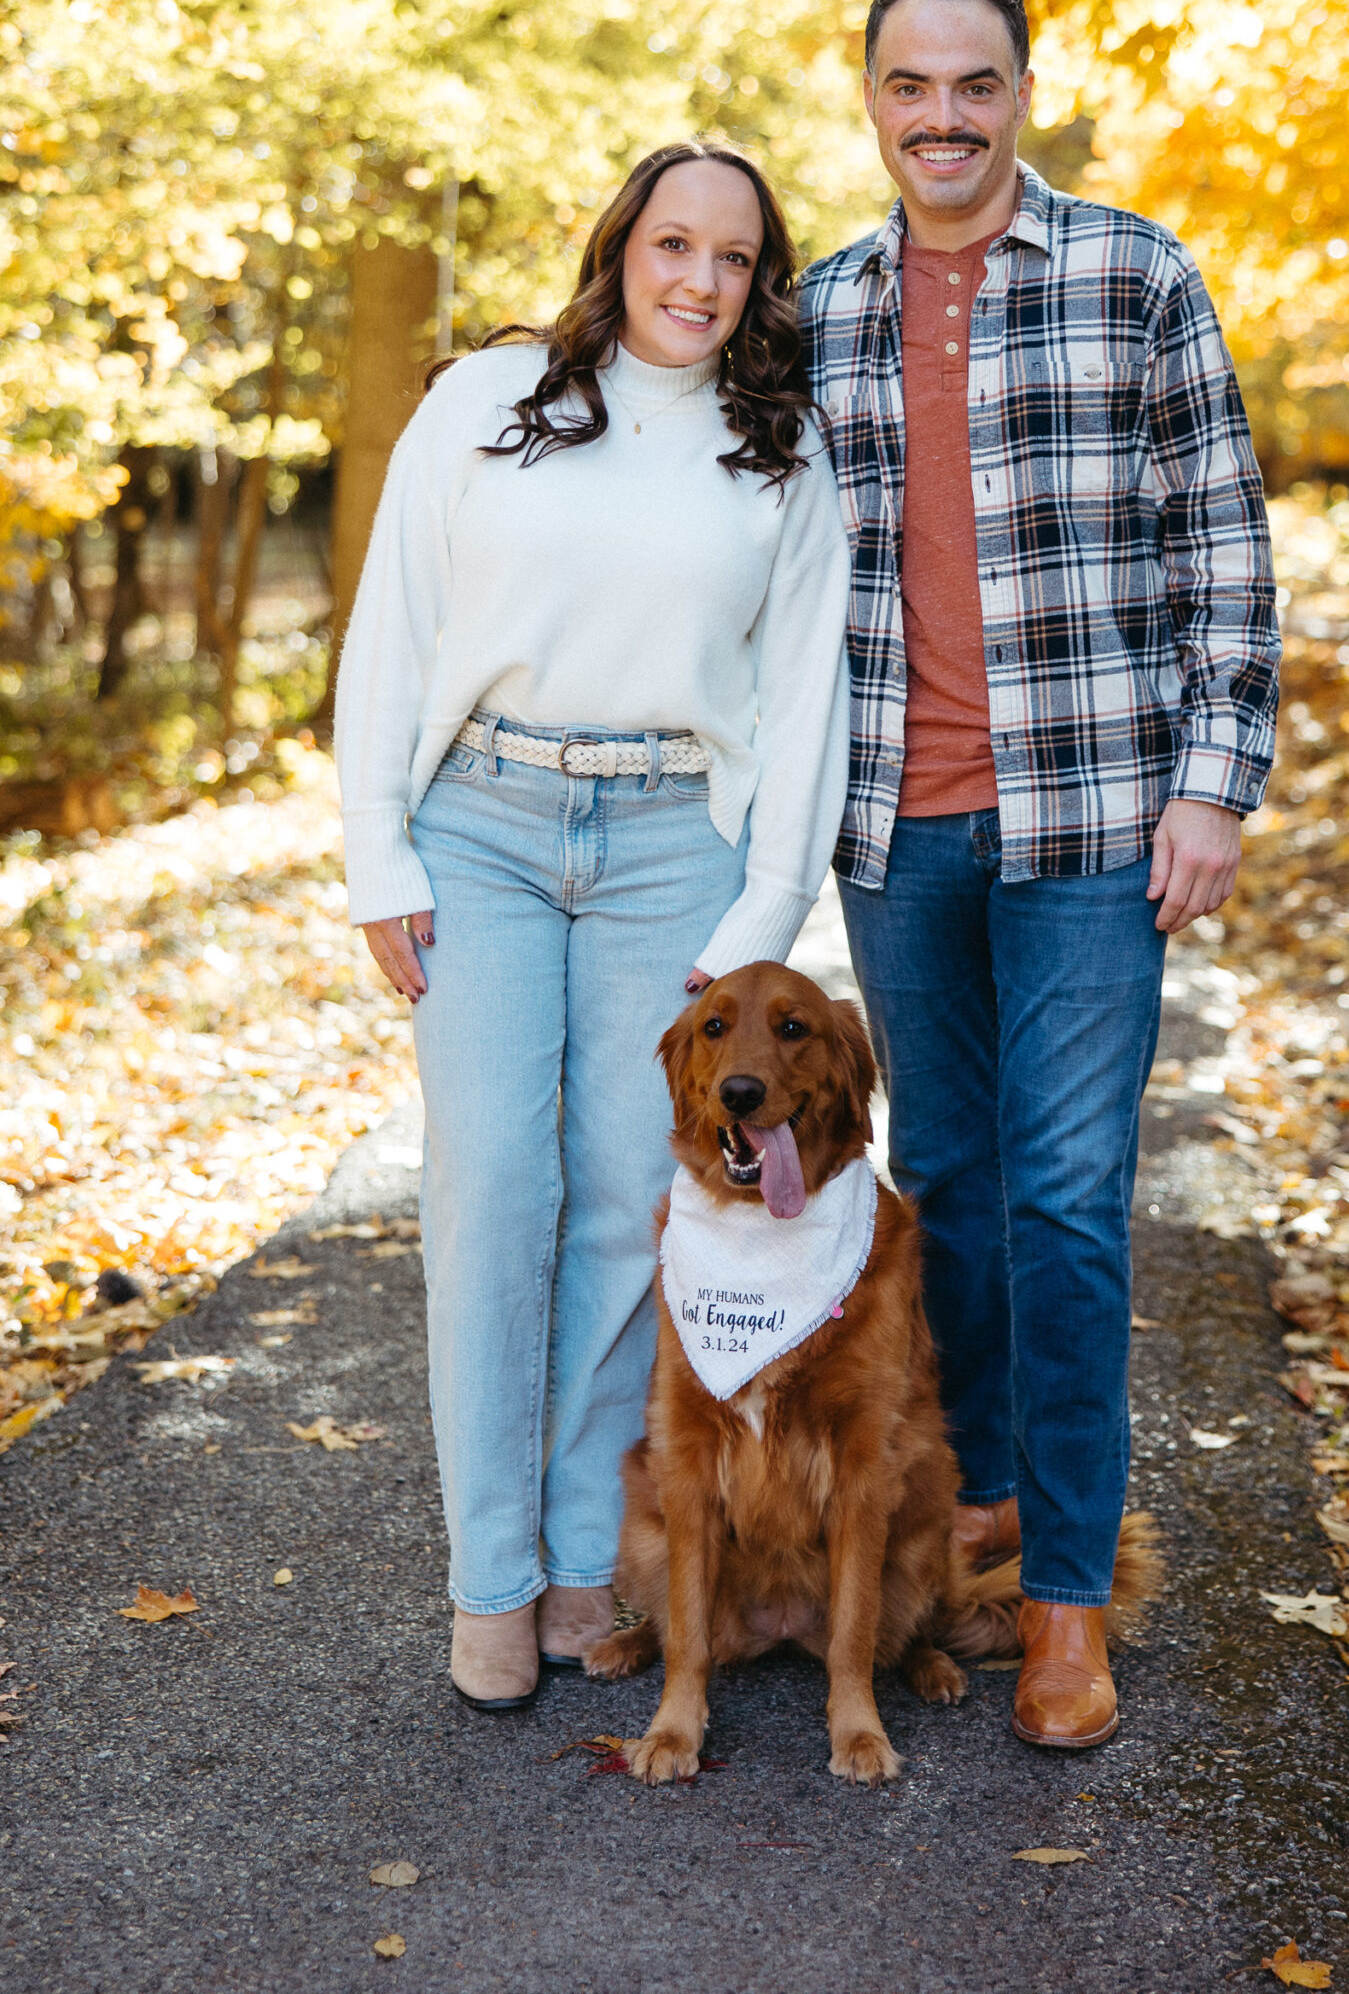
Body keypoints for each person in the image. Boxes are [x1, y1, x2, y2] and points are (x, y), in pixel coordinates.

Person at [799, 0, 1280, 1751]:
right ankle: (986, 1499)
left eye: (974, 85)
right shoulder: (824, 309)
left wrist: (1215, 782)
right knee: (963, 1192)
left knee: (1071, 1207)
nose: (943, 117)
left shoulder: (1135, 276)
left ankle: (1068, 1599)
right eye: (911, 86)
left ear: (1022, 90)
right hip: (895, 829)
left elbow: (1222, 546)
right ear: (873, 99)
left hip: (1093, 821)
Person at [335, 142, 850, 1711]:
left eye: (734, 261)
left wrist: (766, 906)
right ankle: (487, 1577)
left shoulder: (783, 455)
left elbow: (806, 693)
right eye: (672, 246)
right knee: (494, 1182)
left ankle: (581, 1560)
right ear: (622, 247)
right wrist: (377, 855)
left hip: (666, 844)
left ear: (761, 284)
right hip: (479, 826)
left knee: (635, 1195)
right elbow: (390, 631)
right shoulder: (482, 406)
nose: (698, 282)